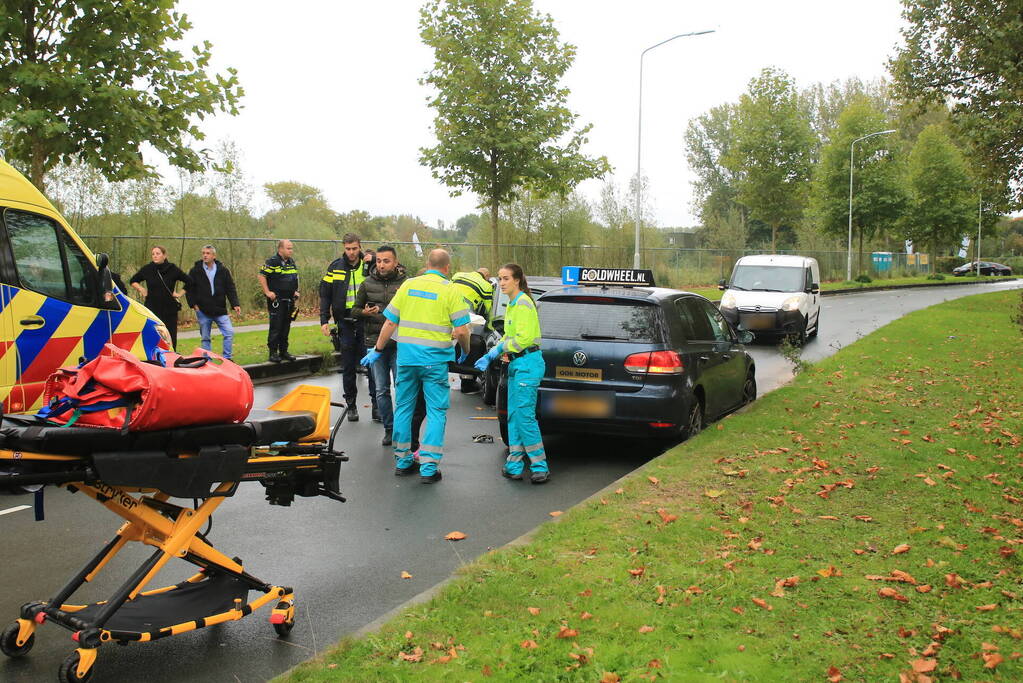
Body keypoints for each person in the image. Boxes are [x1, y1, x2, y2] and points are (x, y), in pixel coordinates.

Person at [361, 248, 470, 484]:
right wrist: (466, 350)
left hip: (407, 360)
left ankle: (403, 461)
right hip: (434, 362)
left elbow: (390, 322)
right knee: (435, 412)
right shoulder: (450, 289)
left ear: (427, 263)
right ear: (447, 268)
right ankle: (429, 467)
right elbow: (461, 330)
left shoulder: (409, 285)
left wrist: (377, 351)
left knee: (404, 408)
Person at [475, 263, 549, 484]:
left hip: (528, 365)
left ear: (517, 280)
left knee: (525, 417)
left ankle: (540, 466)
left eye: (506, 278)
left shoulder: (523, 303)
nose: (502, 283)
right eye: (499, 279)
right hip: (518, 365)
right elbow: (510, 335)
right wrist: (493, 353)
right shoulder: (513, 303)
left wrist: (498, 350)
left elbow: (524, 339)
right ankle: (514, 464)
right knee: (514, 416)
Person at [352, 245, 407, 445]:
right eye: (378, 261)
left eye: (386, 261)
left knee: (401, 387)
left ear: (395, 262)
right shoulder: (367, 284)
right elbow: (354, 310)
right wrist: (365, 313)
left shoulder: (406, 284)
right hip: (375, 344)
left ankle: (403, 428)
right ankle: (389, 429)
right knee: (381, 389)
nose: (382, 265)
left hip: (399, 343)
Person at [320, 233, 374, 421]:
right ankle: (351, 405)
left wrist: (374, 260)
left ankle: (376, 406)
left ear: (360, 247)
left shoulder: (369, 265)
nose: (351, 252)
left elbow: (396, 271)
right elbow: (325, 294)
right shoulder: (336, 267)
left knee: (371, 365)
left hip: (366, 321)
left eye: (354, 249)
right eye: (348, 249)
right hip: (345, 322)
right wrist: (324, 319)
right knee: (348, 366)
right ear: (344, 248)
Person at [185, 244, 241, 360]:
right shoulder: (195, 271)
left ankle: (227, 358)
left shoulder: (223, 271)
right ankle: (207, 361)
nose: (205, 255)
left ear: (214, 255)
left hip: (220, 310)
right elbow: (189, 289)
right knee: (205, 338)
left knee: (229, 332)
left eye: (208, 253)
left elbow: (230, 288)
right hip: (203, 311)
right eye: (203, 253)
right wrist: (194, 305)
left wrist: (235, 304)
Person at [129, 245, 191, 348]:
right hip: (152, 307)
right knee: (152, 333)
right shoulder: (148, 269)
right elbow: (133, 280)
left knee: (170, 334)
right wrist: (142, 290)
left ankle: (171, 356)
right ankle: (153, 357)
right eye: (153, 254)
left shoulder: (172, 269)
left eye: (158, 254)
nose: (155, 256)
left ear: (164, 255)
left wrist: (179, 294)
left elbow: (190, 281)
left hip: (169, 308)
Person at [259, 239, 300, 363]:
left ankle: (283, 351)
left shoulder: (291, 262)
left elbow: (293, 278)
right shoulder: (272, 262)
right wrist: (267, 292)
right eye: (288, 248)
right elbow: (261, 275)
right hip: (277, 300)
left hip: (289, 300)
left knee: (286, 327)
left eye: (291, 248)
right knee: (276, 327)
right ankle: (273, 353)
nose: (291, 250)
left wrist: (295, 291)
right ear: (280, 249)